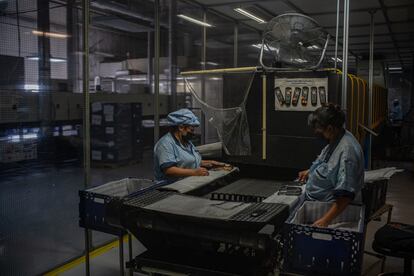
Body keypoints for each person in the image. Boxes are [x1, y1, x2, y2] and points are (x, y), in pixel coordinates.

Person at [297, 103, 364, 228]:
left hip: (330, 212)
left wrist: (325, 220)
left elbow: (345, 195)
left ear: (330, 129)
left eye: (318, 130)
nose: (316, 133)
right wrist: (310, 171)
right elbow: (327, 163)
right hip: (317, 202)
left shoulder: (347, 152)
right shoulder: (338, 137)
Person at [154, 108, 225, 184]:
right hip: (170, 187)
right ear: (181, 127)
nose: (193, 133)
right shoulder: (165, 144)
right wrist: (194, 172)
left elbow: (186, 161)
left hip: (186, 182)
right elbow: (169, 170)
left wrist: (209, 162)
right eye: (191, 130)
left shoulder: (186, 142)